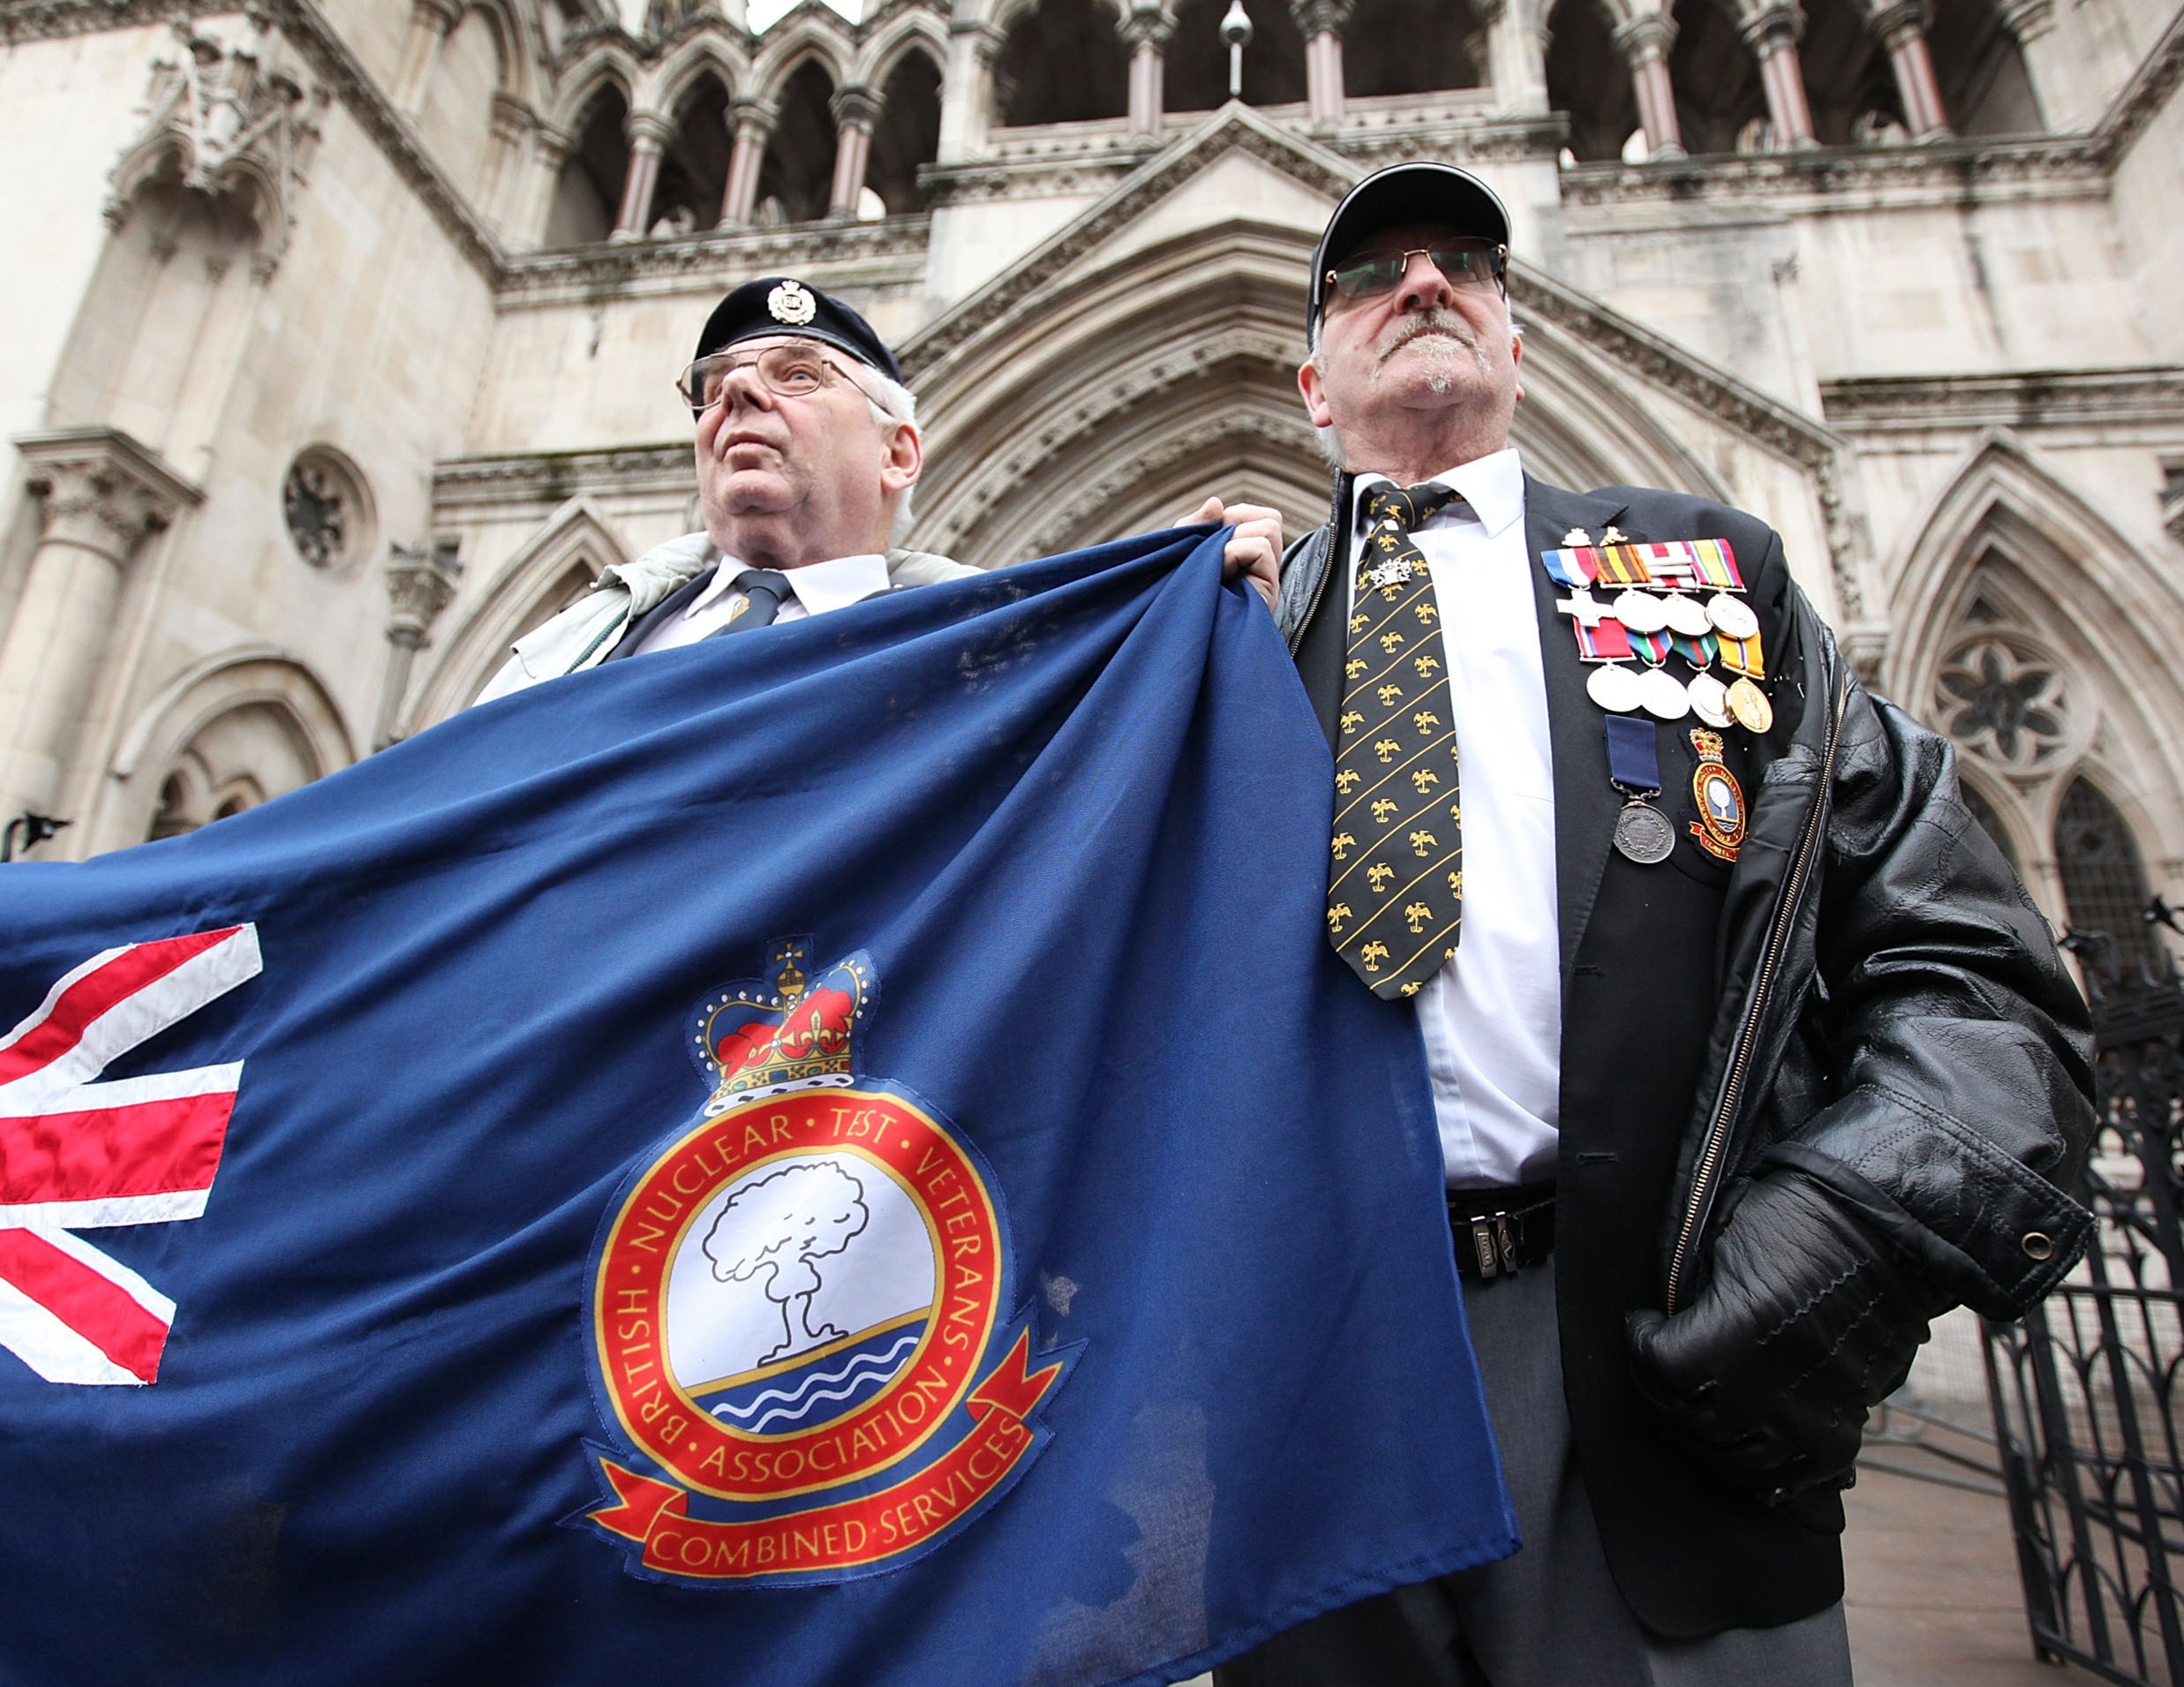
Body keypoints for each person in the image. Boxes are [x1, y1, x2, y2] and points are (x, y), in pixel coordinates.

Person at [1218, 162, 2097, 1685]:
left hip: (1654, 1345)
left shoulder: (1709, 580)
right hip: (1313, 1376)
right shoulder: (1223, 627)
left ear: (1515, 340)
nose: (1424, 283)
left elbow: (1966, 956)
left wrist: (1823, 1248)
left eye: (1466, 265)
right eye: (1370, 275)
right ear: (1310, 381)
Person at [478, 277, 1279, 704]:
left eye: (797, 374)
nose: (736, 399)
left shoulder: (1003, 652)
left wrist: (1182, 639)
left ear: (899, 452)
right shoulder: (581, 636)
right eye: (713, 386)